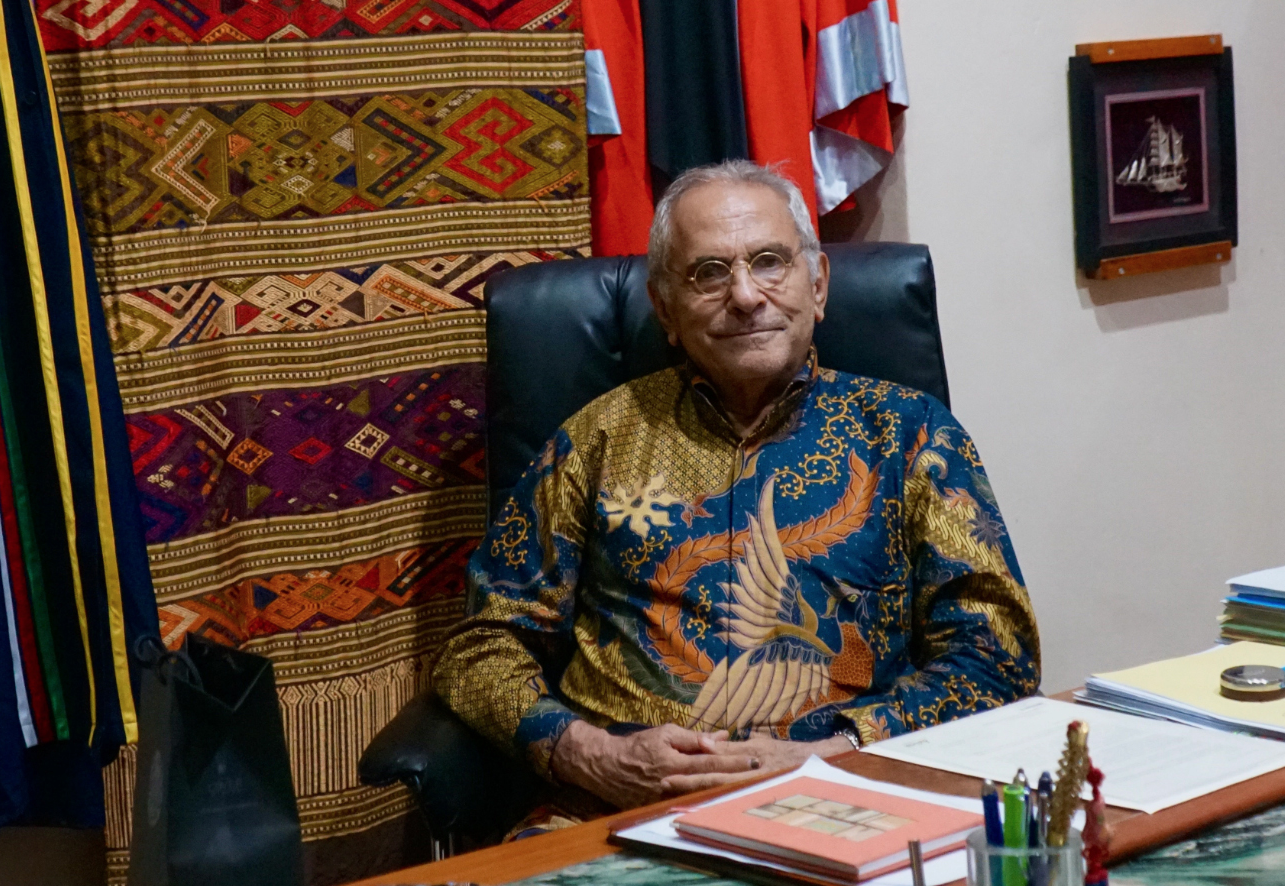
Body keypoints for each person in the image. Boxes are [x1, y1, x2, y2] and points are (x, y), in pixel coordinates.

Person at [432, 160, 1040, 817]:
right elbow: (480, 649)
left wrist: (835, 752)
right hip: (615, 809)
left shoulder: (911, 436)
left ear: (818, 284)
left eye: (769, 262)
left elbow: (995, 655)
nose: (746, 296)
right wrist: (589, 754)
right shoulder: (595, 441)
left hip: (846, 800)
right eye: (709, 273)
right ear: (665, 308)